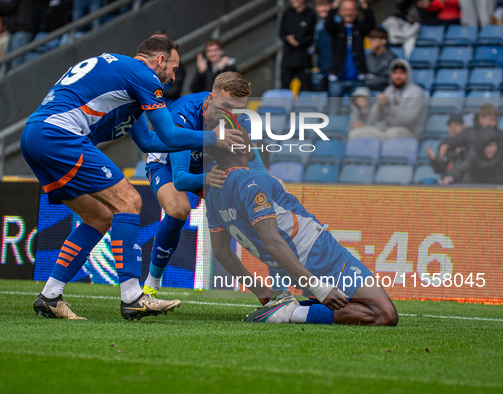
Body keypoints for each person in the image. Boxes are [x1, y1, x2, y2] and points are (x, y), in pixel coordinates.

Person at [21, 37, 244, 321]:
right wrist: (214, 137)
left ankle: (50, 295)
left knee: (98, 217)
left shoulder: (123, 83)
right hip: (59, 135)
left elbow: (149, 141)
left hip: (34, 136)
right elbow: (170, 135)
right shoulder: (142, 74)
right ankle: (133, 297)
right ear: (159, 61)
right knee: (129, 202)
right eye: (173, 68)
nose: (174, 77)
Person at [203, 129, 399, 326]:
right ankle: (293, 312)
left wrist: (259, 290)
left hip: (291, 265)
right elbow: (271, 241)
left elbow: (221, 251)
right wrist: (317, 286)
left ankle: (287, 307)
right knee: (384, 314)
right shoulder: (254, 181)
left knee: (359, 307)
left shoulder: (212, 194)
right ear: (239, 149)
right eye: (246, 138)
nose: (252, 141)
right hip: (317, 253)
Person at [143, 72, 273, 297]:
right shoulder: (183, 115)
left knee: (251, 208)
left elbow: (255, 164)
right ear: (210, 98)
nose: (230, 114)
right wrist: (209, 179)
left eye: (236, 108)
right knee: (178, 209)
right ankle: (151, 285)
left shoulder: (237, 119)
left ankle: (268, 291)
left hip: (206, 164)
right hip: (166, 163)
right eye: (225, 106)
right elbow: (181, 179)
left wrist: (269, 183)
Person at [349, 59, 427, 141]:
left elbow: (406, 120)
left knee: (391, 134)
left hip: (409, 132)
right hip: (385, 129)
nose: (398, 76)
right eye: (395, 73)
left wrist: (388, 106)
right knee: (355, 133)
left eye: (401, 72)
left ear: (408, 74)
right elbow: (376, 117)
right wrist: (380, 106)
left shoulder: (416, 92)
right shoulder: (389, 90)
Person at [325, 0, 375, 114]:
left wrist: (364, 5)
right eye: (346, 10)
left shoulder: (360, 27)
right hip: (337, 79)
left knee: (358, 113)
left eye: (352, 10)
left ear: (357, 11)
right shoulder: (336, 28)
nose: (349, 13)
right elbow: (327, 23)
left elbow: (371, 23)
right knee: (334, 111)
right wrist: (334, 6)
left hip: (357, 79)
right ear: (341, 12)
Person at [279, 0, 316, 91]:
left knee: (306, 87)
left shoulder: (310, 14)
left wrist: (298, 41)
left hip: (303, 58)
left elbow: (312, 36)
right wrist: (288, 39)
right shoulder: (287, 13)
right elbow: (281, 33)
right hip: (288, 58)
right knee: (284, 87)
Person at [0, 0, 32, 69]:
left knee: (16, 66)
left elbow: (6, 8)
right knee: (7, 65)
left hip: (21, 31)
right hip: (15, 31)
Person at [150, 30, 185, 106]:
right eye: (155, 42)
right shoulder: (146, 63)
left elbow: (175, 90)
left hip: (171, 106)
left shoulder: (175, 63)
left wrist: (154, 93)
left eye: (163, 42)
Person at [364, 28, 397, 92]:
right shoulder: (368, 56)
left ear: (383, 40)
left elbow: (390, 79)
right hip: (368, 89)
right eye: (370, 38)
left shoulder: (392, 57)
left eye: (374, 38)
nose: (371, 41)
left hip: (386, 90)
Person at [310, 0, 332, 92]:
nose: (323, 8)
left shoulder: (339, 22)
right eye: (320, 5)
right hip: (323, 67)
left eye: (326, 5)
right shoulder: (318, 26)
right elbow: (315, 45)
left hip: (337, 69)